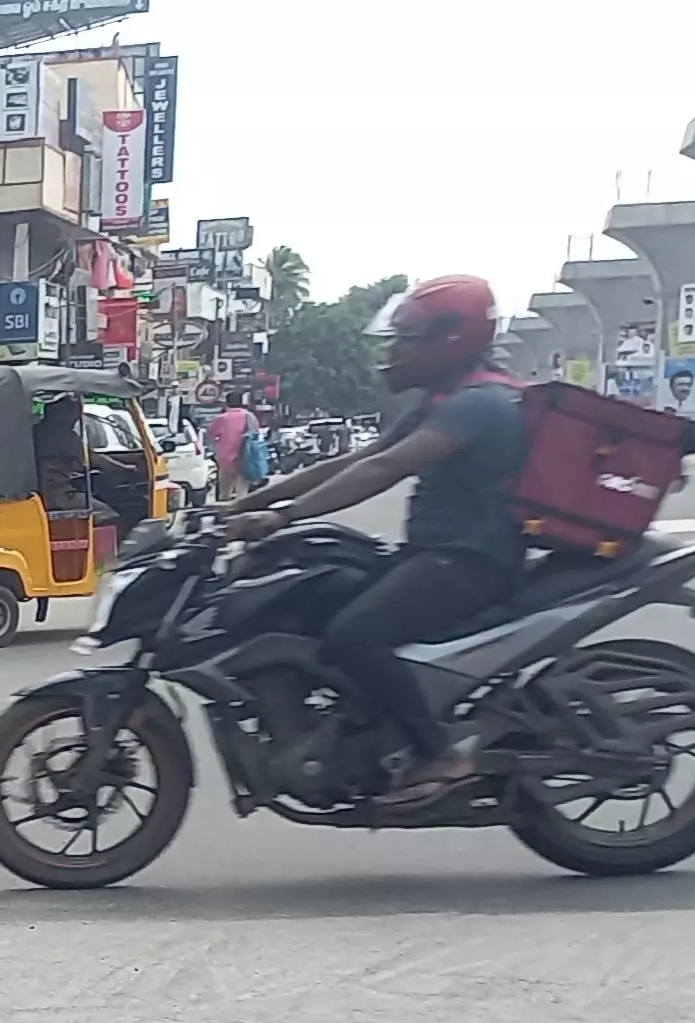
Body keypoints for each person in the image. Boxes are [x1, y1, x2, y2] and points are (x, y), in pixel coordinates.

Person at [222, 274, 524, 806]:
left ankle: (440, 756)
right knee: (315, 592)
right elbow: (355, 460)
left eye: (406, 340)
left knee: (356, 636)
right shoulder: (441, 401)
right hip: (435, 555)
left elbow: (384, 469)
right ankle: (358, 726)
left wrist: (284, 516)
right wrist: (243, 506)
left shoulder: (479, 404)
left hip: (471, 562)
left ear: (449, 341)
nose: (393, 353)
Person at [206, 399, 258, 504]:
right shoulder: (249, 416)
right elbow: (256, 433)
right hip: (245, 457)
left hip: (225, 459)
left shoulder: (221, 418)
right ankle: (241, 509)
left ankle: (224, 510)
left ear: (227, 403)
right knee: (242, 493)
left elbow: (211, 434)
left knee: (224, 492)